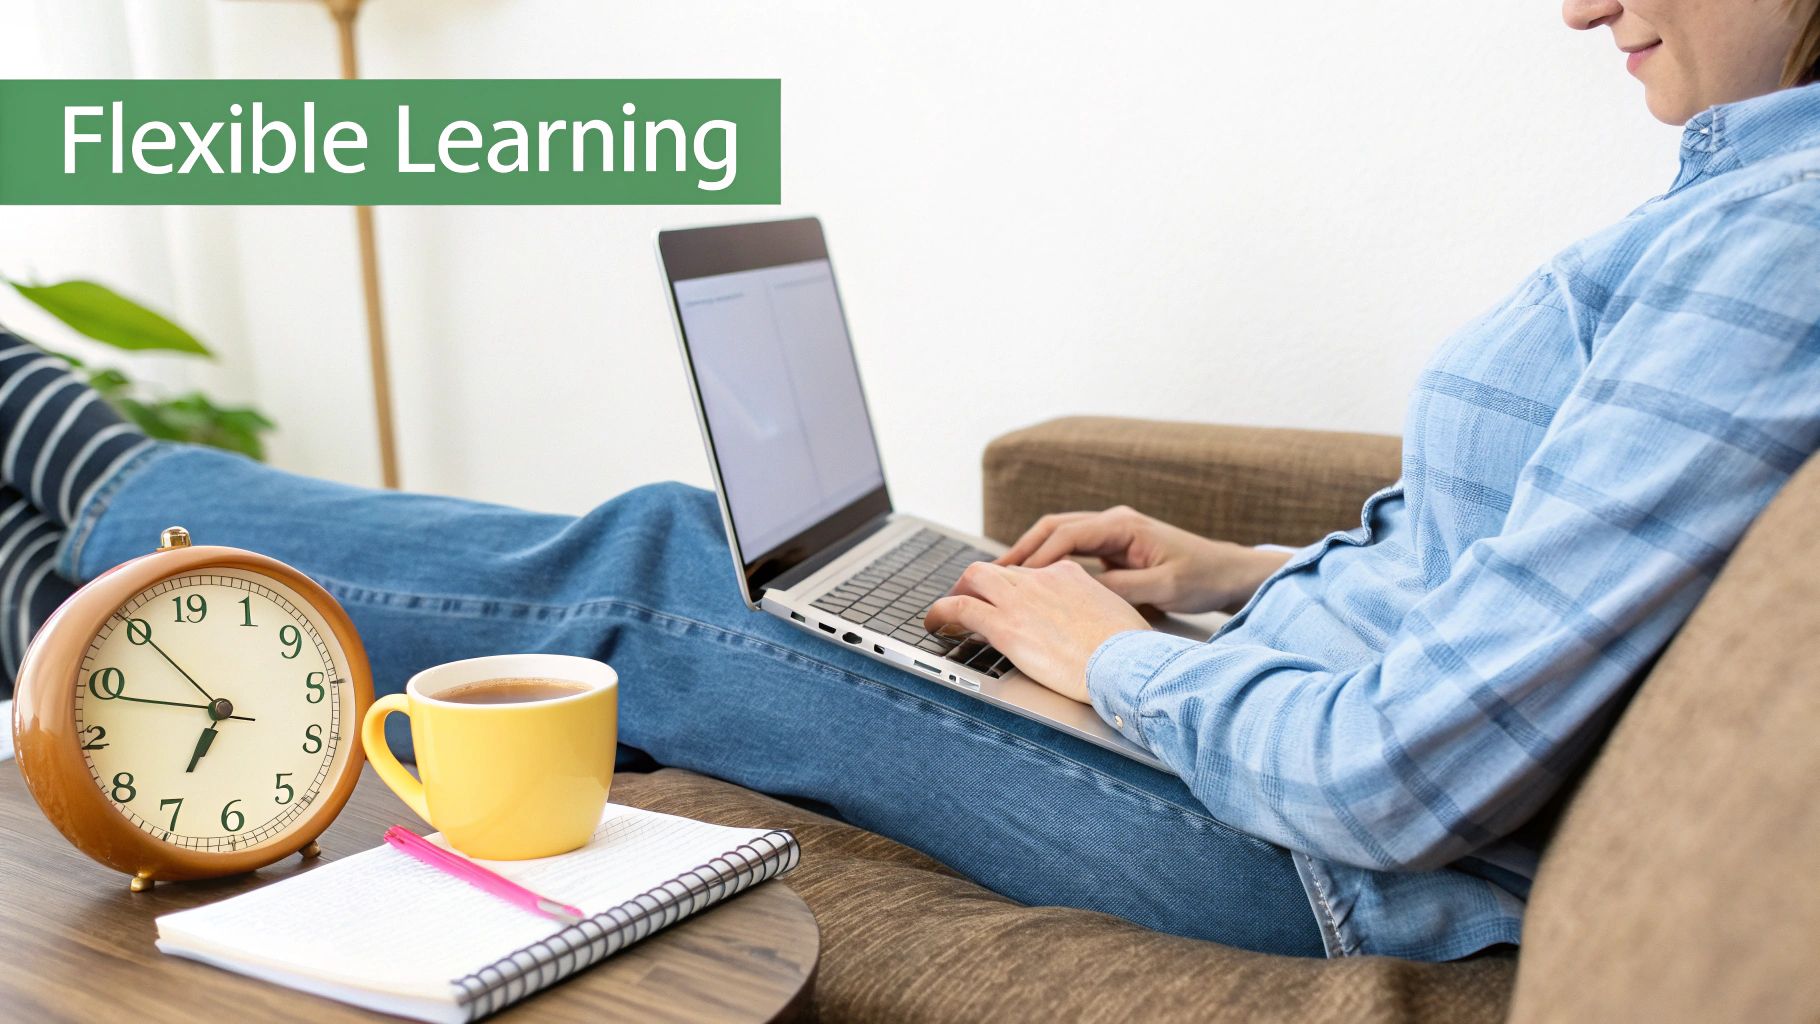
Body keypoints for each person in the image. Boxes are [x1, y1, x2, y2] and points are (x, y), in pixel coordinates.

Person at [3, 0, 1819, 962]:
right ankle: (52, 532)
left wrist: (1107, 656)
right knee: (740, 560)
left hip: (1288, 843)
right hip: (1260, 716)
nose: (1581, 5)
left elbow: (1400, 769)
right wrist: (1222, 573)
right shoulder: (1745, 198)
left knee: (670, 582)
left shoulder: (1782, 245)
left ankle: (56, 522)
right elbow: (1524, 571)